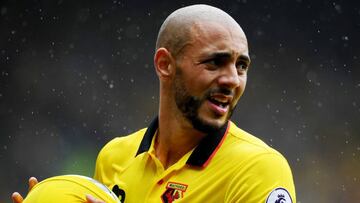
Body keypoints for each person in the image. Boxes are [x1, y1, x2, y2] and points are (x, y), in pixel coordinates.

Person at [12, 4, 296, 203]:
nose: (233, 79)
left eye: (241, 66)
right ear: (165, 65)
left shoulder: (259, 168)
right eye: (215, 62)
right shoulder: (114, 157)